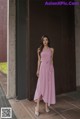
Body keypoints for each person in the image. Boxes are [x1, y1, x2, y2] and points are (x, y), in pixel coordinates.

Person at [34, 35, 56, 116]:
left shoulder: (52, 49)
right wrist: (37, 70)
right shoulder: (39, 50)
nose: (45, 41)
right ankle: (37, 107)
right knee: (40, 86)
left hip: (49, 70)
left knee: (48, 87)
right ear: (42, 41)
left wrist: (52, 70)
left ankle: (46, 106)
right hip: (42, 69)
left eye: (46, 40)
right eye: (44, 40)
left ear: (48, 41)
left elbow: (52, 60)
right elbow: (39, 61)